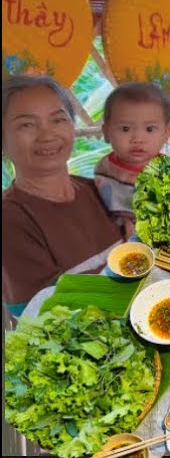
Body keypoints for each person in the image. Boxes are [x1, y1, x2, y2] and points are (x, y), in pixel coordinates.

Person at [2, 76, 126, 313]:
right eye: (27, 124)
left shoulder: (99, 189)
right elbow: (41, 312)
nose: (47, 135)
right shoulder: (11, 219)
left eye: (58, 119)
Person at [94, 82, 170, 235]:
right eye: (125, 129)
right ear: (106, 132)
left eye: (149, 129)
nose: (137, 139)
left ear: (166, 134)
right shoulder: (104, 170)